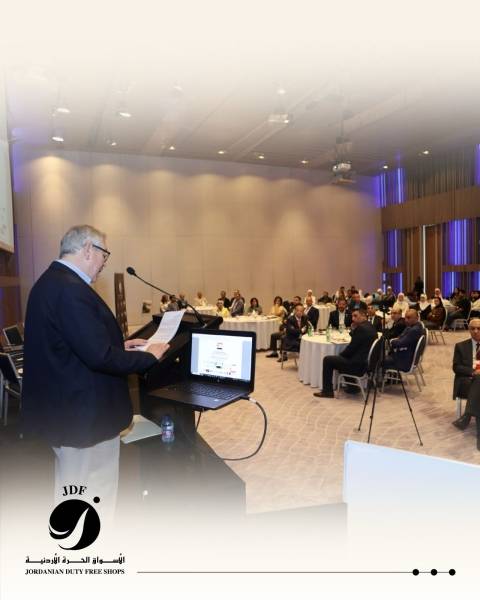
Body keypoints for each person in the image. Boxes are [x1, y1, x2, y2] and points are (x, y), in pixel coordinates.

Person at [21, 225, 169, 521]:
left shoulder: (52, 283)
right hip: (83, 417)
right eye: (104, 255)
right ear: (88, 249)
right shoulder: (70, 290)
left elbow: (72, 345)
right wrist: (149, 357)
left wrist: (119, 346)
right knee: (93, 491)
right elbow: (98, 357)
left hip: (67, 413)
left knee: (72, 488)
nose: (104, 263)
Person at [314, 309, 377, 398]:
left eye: (355, 316)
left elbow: (351, 349)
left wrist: (341, 355)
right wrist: (353, 330)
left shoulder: (361, 329)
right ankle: (353, 387)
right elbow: (358, 340)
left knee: (328, 360)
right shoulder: (370, 326)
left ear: (363, 316)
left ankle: (327, 391)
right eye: (352, 316)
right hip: (366, 362)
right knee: (340, 360)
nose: (353, 319)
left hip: (357, 365)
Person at [451, 319, 480, 450]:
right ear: (469, 330)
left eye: (479, 328)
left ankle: (467, 415)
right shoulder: (460, 346)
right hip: (466, 381)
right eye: (473, 328)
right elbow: (456, 367)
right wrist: (473, 372)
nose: (476, 331)